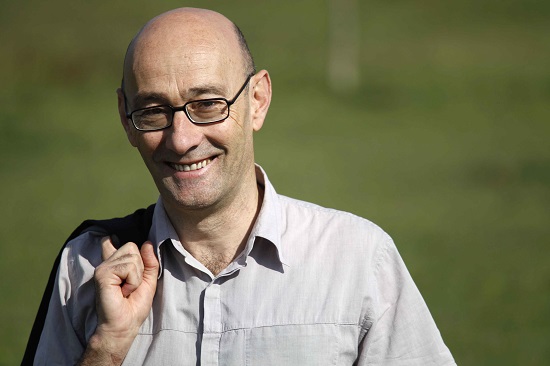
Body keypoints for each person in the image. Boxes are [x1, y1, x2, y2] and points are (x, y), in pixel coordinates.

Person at [24, 7, 456, 366]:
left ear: (258, 100)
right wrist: (106, 348)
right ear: (125, 119)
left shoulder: (359, 262)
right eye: (153, 110)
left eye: (207, 105)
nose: (181, 138)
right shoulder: (83, 270)